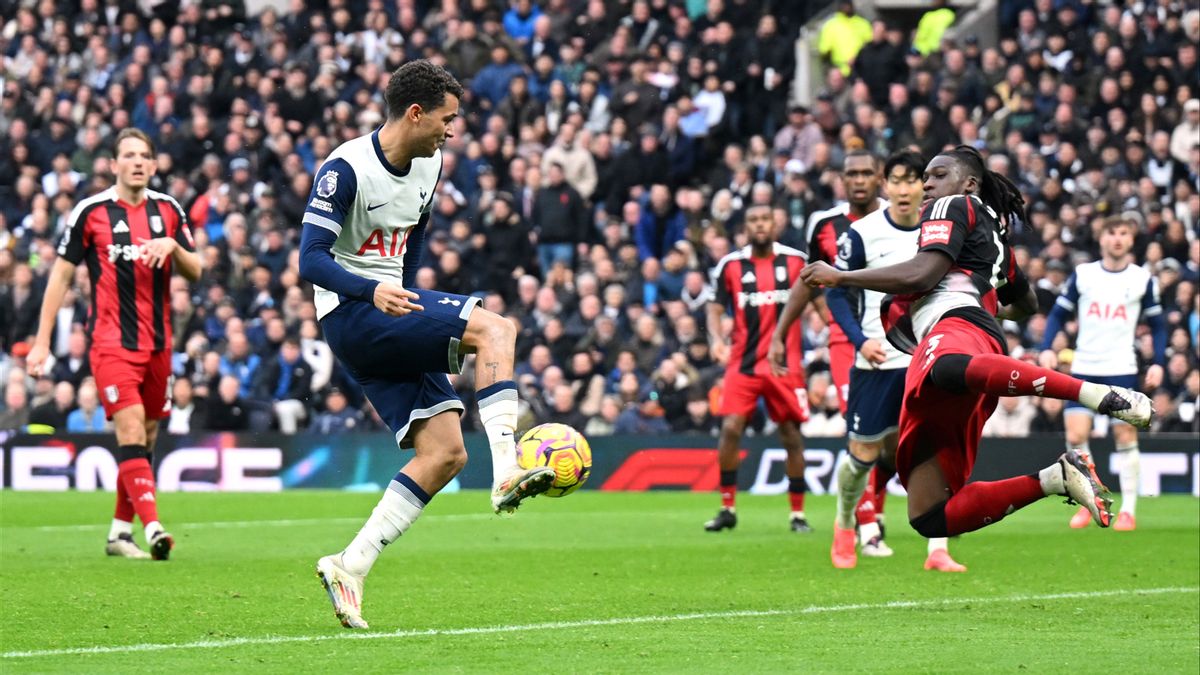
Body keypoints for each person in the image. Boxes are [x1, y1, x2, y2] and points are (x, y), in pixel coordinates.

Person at [298, 60, 554, 630]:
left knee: (444, 453)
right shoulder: (345, 169)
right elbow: (309, 259)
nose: (452, 130)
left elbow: (413, 236)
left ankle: (350, 564)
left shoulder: (430, 165)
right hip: (353, 313)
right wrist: (374, 290)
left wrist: (405, 292)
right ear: (415, 113)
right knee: (497, 329)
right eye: (447, 118)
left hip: (392, 310)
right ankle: (509, 466)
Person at [799, 145, 1152, 544]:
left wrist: (841, 276)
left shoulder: (952, 206)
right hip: (967, 347)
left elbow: (922, 274)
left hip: (955, 332)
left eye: (937, 174)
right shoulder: (993, 233)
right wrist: (982, 292)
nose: (926, 183)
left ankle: (1097, 394)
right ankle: (1056, 479)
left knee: (947, 367)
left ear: (969, 184)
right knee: (929, 516)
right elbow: (1026, 304)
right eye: (925, 176)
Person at [775, 150, 966, 572]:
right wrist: (860, 341)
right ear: (887, 186)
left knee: (933, 451)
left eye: (911, 180)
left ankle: (938, 549)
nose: (903, 189)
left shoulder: (943, 230)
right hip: (877, 361)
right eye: (895, 181)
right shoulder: (862, 234)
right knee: (862, 454)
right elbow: (836, 292)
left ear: (923, 186)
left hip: (928, 359)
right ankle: (845, 525)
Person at [27, 127, 202, 561]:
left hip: (160, 345)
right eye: (129, 155)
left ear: (155, 165)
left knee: (144, 438)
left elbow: (196, 270)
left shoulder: (169, 210)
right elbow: (61, 276)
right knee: (128, 430)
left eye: (145, 155)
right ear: (113, 164)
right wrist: (42, 341)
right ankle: (155, 526)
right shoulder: (91, 212)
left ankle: (119, 533)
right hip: (110, 344)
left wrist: (172, 247)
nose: (137, 162)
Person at [1038, 217, 1166, 531]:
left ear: (1131, 240)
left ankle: (1129, 510)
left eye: (1124, 233)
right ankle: (1088, 503)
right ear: (1102, 238)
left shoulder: (1142, 279)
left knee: (1124, 436)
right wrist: (1047, 346)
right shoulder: (1083, 275)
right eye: (1112, 233)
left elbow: (1160, 325)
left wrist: (1159, 362)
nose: (1118, 239)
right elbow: (1057, 314)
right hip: (1085, 367)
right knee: (1077, 436)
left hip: (1122, 367)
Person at [705, 204, 814, 533]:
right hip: (744, 363)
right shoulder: (731, 265)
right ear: (745, 227)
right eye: (753, 220)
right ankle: (727, 507)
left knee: (791, 436)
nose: (760, 224)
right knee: (730, 429)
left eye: (765, 218)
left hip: (784, 366)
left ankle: (797, 514)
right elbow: (713, 307)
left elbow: (820, 301)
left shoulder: (796, 261)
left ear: (775, 223)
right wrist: (714, 338)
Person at [805, 149, 886, 416]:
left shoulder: (898, 219)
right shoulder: (823, 223)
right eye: (852, 174)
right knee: (856, 417)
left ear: (879, 177)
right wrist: (830, 318)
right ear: (842, 179)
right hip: (845, 337)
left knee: (895, 420)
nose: (859, 180)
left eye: (866, 173)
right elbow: (810, 280)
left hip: (894, 330)